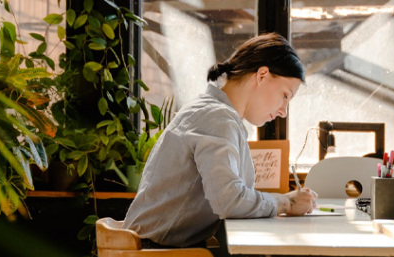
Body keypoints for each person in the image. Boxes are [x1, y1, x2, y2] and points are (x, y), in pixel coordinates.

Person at [123, 33, 318, 252]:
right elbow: (229, 200)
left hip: (161, 247)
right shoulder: (217, 118)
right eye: (285, 95)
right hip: (156, 252)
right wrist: (287, 204)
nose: (283, 111)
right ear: (262, 75)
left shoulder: (213, 112)